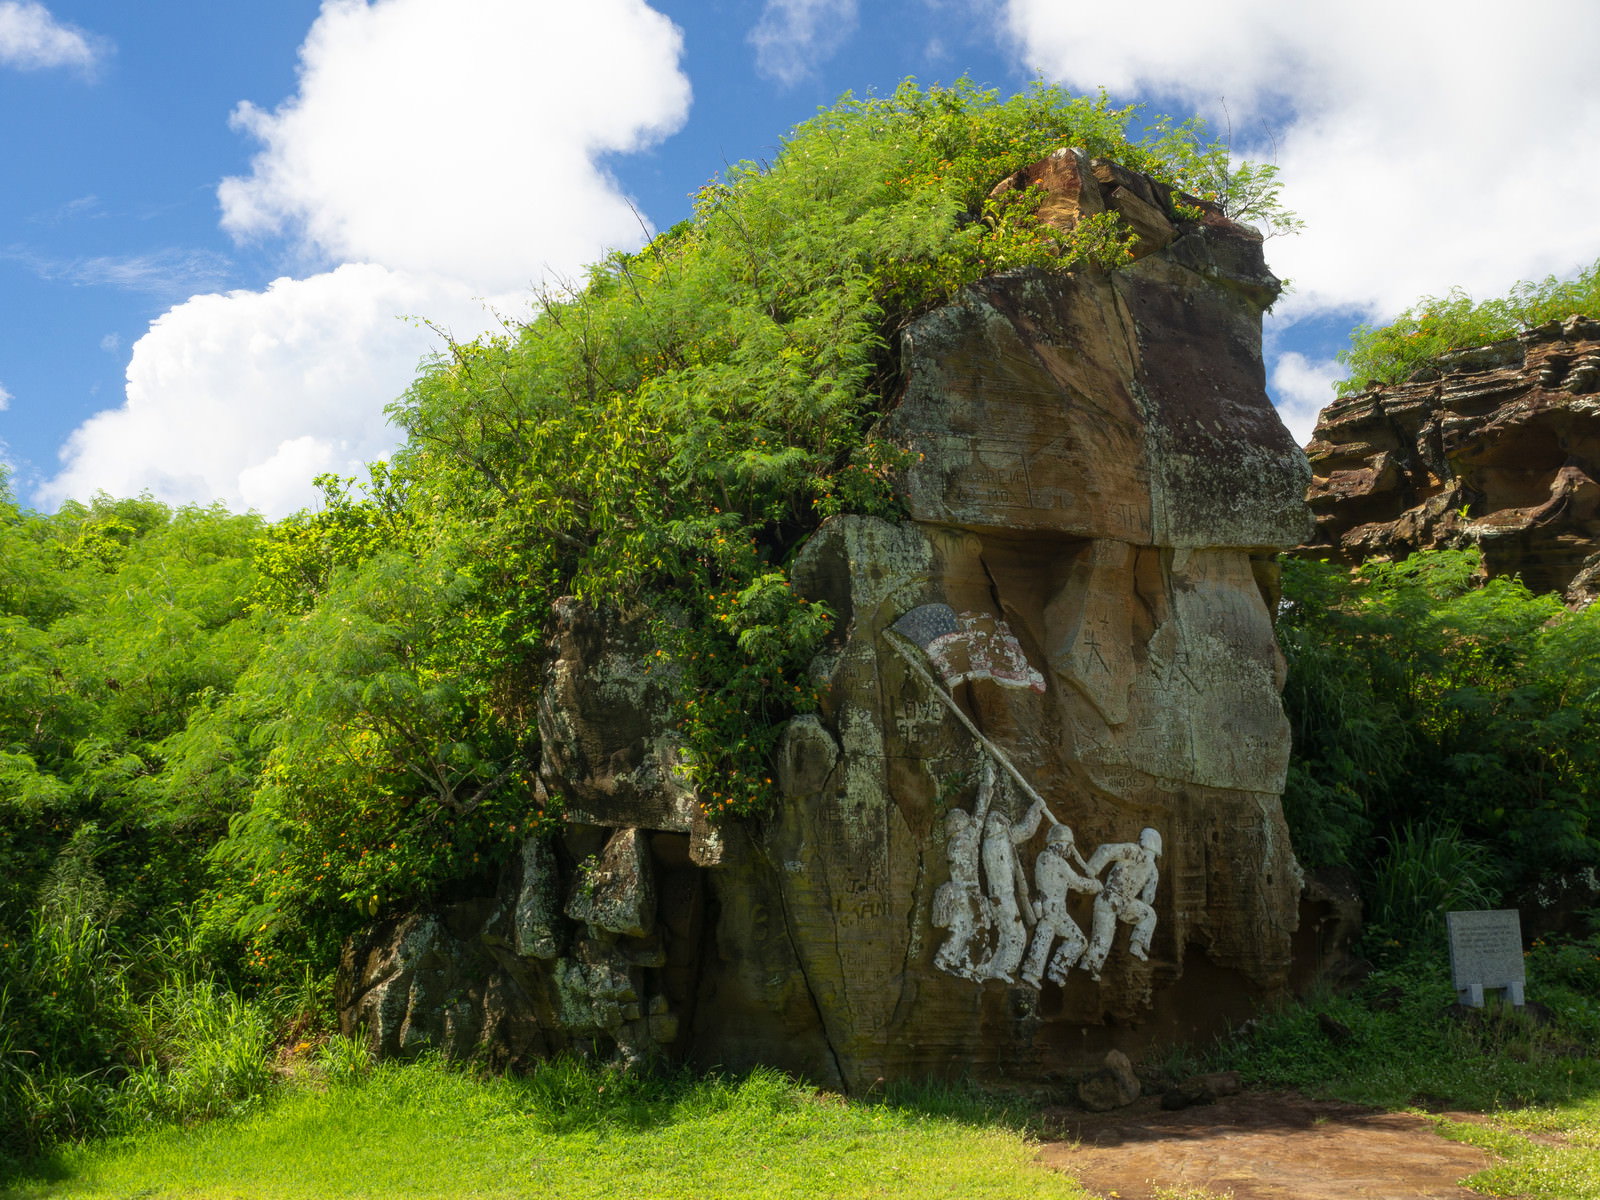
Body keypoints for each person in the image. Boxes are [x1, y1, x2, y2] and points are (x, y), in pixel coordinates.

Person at [1019, 823, 1101, 988]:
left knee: (1046, 939)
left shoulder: (1043, 857)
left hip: (1053, 909)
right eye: (1067, 845)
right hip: (1054, 909)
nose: (1069, 849)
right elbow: (1077, 883)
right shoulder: (1057, 862)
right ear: (1058, 842)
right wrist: (1096, 885)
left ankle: (1046, 971)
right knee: (1065, 940)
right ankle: (1052, 970)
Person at [1079, 827, 1161, 981]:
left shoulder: (1134, 851)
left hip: (1115, 900)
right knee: (1148, 915)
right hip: (1114, 899)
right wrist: (1094, 869)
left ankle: (1091, 964)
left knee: (1104, 936)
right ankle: (1135, 946)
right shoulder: (1149, 866)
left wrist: (1094, 867)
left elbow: (1105, 850)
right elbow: (1148, 898)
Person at [930, 806, 987, 980]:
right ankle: (968, 966)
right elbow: (979, 819)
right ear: (959, 823)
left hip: (957, 892)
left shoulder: (953, 844)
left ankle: (943, 958)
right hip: (968, 891)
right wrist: (986, 787)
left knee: (959, 926)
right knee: (979, 926)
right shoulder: (964, 840)